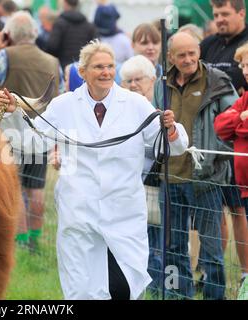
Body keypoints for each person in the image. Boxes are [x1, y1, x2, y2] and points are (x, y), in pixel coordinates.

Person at [0, 39, 189, 299]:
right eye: (99, 67)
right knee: (82, 289)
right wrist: (13, 115)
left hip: (123, 214)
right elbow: (33, 143)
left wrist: (172, 130)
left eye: (110, 66)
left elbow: (169, 149)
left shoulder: (135, 104)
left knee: (124, 287)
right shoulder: (64, 105)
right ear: (82, 71)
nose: (106, 72)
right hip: (79, 213)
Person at [153, 31, 239, 299]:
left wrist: (216, 157)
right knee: (174, 246)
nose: (188, 59)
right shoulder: (160, 84)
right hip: (170, 177)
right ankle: (180, 295)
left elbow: (235, 124)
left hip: (206, 179)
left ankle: (216, 297)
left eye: (192, 52)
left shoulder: (218, 81)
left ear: (199, 52)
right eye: (182, 54)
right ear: (170, 57)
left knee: (211, 249)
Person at [0, 11, 62, 253]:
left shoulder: (5, 55)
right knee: (36, 190)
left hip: (10, 135)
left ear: (9, 34)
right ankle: (35, 243)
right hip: (40, 134)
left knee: (14, 189)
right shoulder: (52, 61)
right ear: (34, 33)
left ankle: (20, 243)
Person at [200, 0, 248, 291]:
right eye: (216, 15)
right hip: (215, 141)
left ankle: (245, 271)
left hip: (240, 147)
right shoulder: (208, 45)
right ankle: (211, 269)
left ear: (241, 13)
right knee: (213, 210)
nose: (219, 20)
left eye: (225, 14)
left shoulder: (246, 43)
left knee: (238, 209)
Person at [119, 54, 162, 297]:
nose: (134, 85)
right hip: (129, 188)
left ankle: (157, 287)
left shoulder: (160, 107)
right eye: (128, 81)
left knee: (158, 241)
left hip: (155, 183)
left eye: (139, 79)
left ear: (153, 80)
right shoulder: (123, 109)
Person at [214, 42, 248, 289]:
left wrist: (238, 124)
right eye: (242, 65)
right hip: (245, 184)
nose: (245, 70)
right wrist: (240, 118)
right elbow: (220, 127)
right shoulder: (245, 97)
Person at [46, 0, 97, 69]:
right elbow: (95, 46)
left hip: (63, 66)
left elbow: (52, 47)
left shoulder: (59, 24)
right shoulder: (89, 25)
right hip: (84, 67)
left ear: (65, 3)